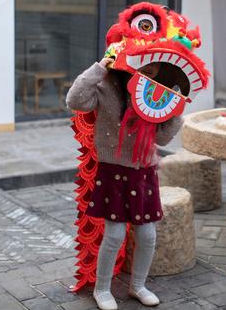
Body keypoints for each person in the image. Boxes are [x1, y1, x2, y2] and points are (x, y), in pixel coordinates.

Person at [66, 58, 184, 310]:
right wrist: (99, 69)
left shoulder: (156, 88)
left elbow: (161, 137)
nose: (147, 64)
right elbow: (74, 100)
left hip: (145, 171)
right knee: (115, 234)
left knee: (147, 234)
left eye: (154, 59)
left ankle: (138, 285)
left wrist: (174, 108)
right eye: (142, 57)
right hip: (114, 169)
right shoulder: (107, 84)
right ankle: (102, 289)